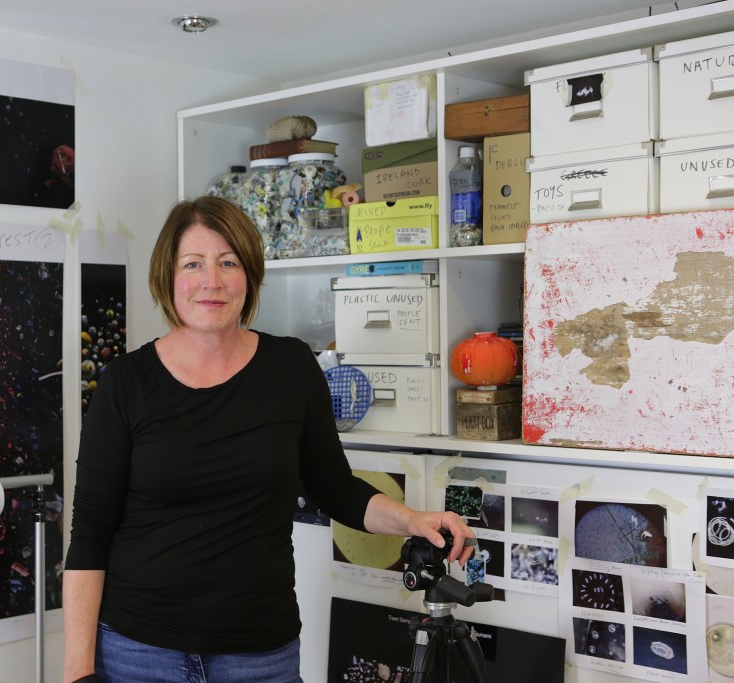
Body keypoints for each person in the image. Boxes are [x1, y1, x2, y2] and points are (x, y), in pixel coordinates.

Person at [63, 196, 475, 683]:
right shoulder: (125, 383)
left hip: (259, 656)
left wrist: (413, 519)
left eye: (228, 262)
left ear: (250, 275)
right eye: (193, 264)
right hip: (140, 653)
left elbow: (335, 488)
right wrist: (77, 671)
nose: (211, 281)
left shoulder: (290, 368)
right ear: (167, 277)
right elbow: (89, 533)